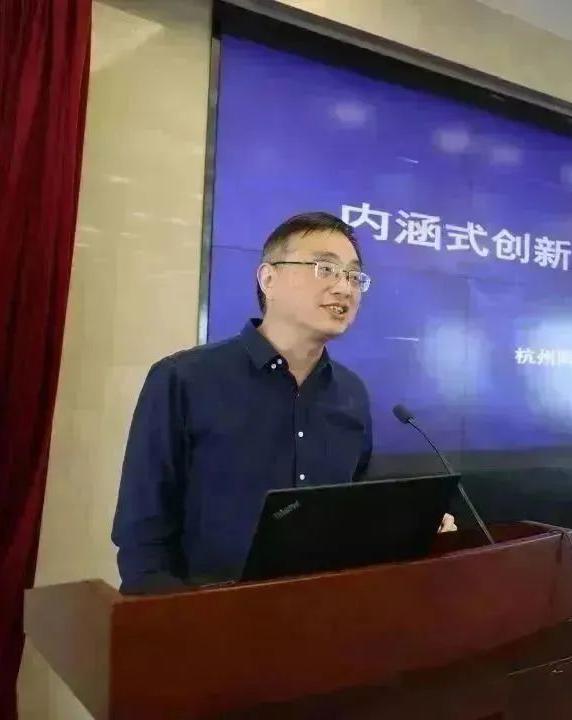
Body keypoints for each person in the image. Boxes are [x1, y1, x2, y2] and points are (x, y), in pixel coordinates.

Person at [112, 212, 454, 593]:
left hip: (323, 615)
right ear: (268, 279)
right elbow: (143, 539)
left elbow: (348, 522)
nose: (344, 287)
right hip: (210, 614)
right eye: (326, 269)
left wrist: (408, 530)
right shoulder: (183, 379)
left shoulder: (351, 394)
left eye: (354, 276)